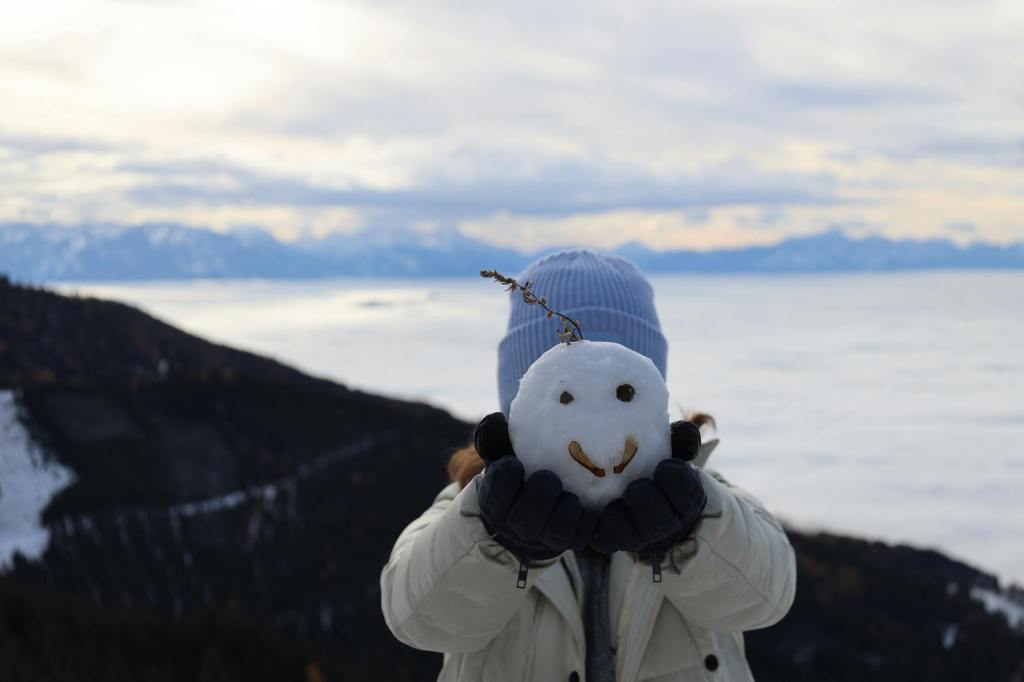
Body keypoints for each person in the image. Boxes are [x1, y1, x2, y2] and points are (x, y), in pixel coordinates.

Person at [380, 250, 796, 681]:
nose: (596, 429)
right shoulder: (473, 505)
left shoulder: (698, 494)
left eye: (620, 396)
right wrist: (498, 542)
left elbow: (767, 595)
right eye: (565, 400)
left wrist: (688, 534)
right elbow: (416, 618)